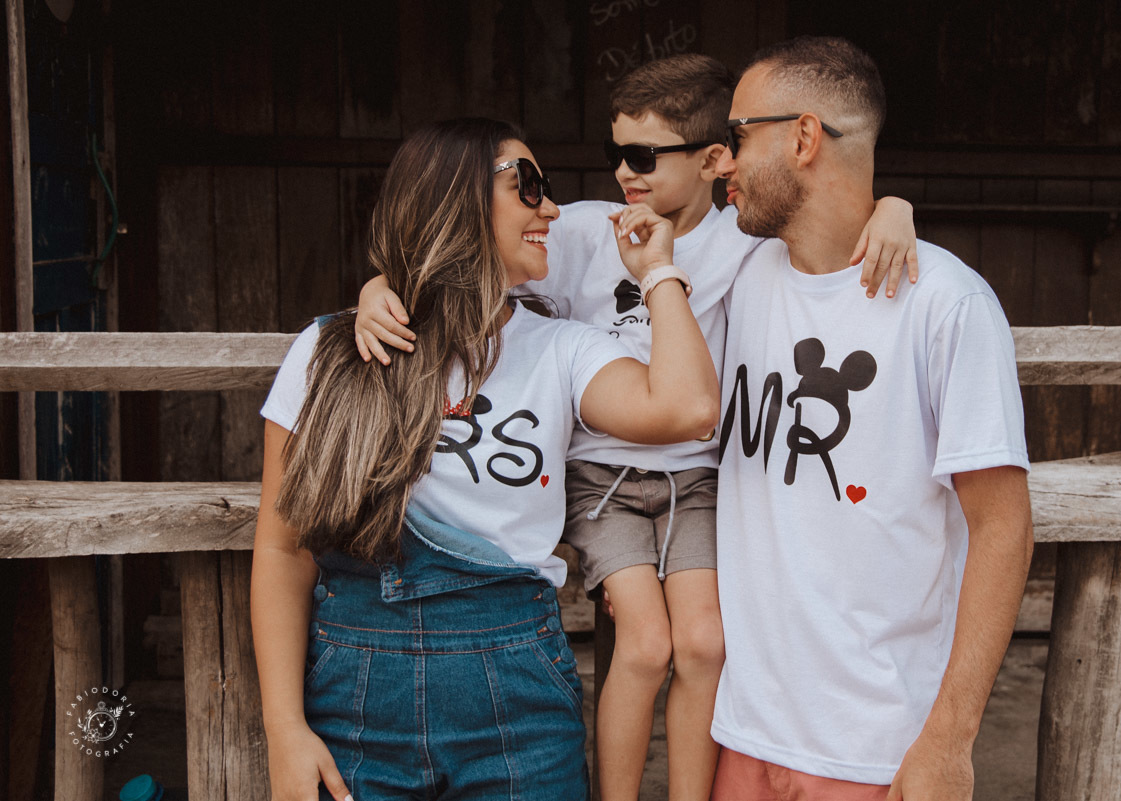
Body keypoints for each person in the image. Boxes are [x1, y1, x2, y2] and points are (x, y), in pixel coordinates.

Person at [353, 56, 918, 801]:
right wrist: (378, 285)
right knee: (648, 644)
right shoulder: (585, 231)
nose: (624, 171)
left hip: (696, 475)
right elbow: (466, 259)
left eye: (644, 156)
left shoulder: (746, 243)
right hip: (604, 479)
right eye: (616, 152)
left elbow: (833, 221)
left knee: (706, 642)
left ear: (715, 160)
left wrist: (894, 207)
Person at [250, 117, 723, 801]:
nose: (551, 209)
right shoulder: (332, 351)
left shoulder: (562, 348)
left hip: (517, 701)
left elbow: (689, 407)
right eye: (527, 186)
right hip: (357, 701)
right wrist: (283, 726)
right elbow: (283, 547)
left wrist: (658, 272)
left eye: (548, 189)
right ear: (454, 198)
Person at [710, 36, 1034, 801]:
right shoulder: (739, 270)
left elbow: (1003, 527)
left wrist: (948, 743)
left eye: (737, 136)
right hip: (747, 732)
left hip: (876, 752)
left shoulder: (946, 305)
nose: (722, 161)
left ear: (803, 136)